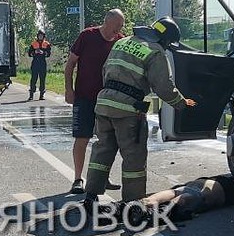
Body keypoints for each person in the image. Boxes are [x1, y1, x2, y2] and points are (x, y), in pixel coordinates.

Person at [84, 16, 197, 208]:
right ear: (165, 39)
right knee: (134, 156)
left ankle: (90, 195)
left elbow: (105, 70)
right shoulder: (156, 51)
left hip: (104, 104)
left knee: (102, 150)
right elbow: (163, 86)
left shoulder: (122, 41)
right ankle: (133, 203)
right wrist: (182, 103)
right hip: (128, 111)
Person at [65, 9, 126, 194]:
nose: (118, 30)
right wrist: (69, 89)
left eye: (121, 27)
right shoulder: (87, 36)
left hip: (108, 100)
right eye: (117, 26)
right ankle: (77, 179)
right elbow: (70, 65)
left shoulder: (119, 41)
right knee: (82, 138)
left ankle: (102, 177)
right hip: (84, 97)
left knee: (107, 140)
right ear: (107, 21)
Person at [144, 174, 234, 223]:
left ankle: (145, 203)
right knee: (191, 196)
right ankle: (161, 210)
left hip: (202, 183)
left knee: (177, 192)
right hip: (218, 188)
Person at [26, 30, 52, 101]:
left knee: (42, 79)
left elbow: (49, 54)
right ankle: (31, 95)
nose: (40, 37)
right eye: (39, 35)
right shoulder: (33, 44)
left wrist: (43, 52)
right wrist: (34, 52)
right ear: (37, 36)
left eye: (42, 35)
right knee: (33, 79)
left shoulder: (46, 44)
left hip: (42, 63)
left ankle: (41, 95)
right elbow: (29, 54)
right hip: (35, 63)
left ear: (43, 36)